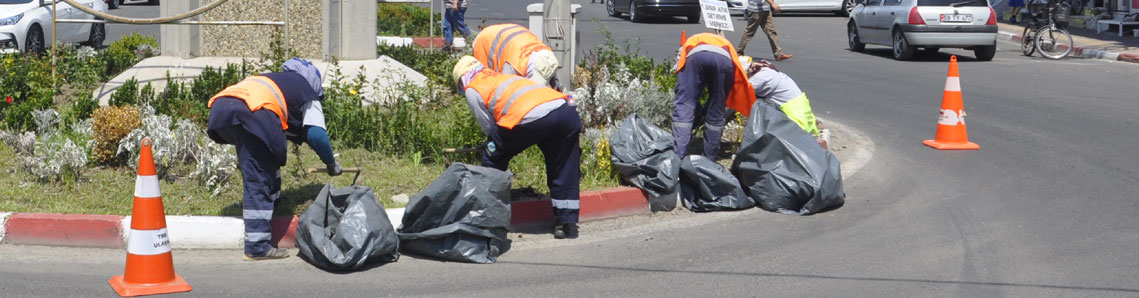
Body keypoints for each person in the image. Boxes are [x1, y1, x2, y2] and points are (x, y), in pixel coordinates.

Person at [206, 58, 342, 261]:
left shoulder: (275, 80)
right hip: (253, 114)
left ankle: (274, 200)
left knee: (268, 155)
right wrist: (331, 163)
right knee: (258, 176)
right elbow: (316, 135)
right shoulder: (307, 92)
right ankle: (257, 246)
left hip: (223, 109)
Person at [451, 56, 582, 239]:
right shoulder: (502, 77)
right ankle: (566, 223)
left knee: (492, 155)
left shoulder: (473, 88)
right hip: (565, 110)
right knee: (564, 167)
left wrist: (494, 147)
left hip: (532, 116)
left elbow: (490, 129)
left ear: (462, 80)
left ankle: (487, 217)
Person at [672, 33, 757, 159]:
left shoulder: (690, 43)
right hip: (725, 61)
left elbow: (682, 84)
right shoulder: (725, 44)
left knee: (685, 105)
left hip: (696, 57)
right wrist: (706, 110)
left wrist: (696, 111)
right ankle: (709, 159)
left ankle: (678, 156)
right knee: (716, 109)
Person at [741, 56, 820, 136]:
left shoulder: (761, 78)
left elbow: (741, 93)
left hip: (795, 121)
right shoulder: (768, 71)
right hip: (804, 116)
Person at [471, 23, 561, 89]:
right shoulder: (513, 65)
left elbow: (555, 86)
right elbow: (505, 93)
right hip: (484, 40)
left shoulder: (546, 56)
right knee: (485, 83)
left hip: (506, 34)